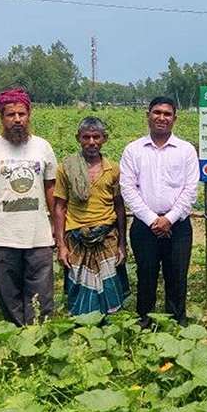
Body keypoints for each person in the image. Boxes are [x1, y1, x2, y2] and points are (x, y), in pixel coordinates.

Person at [0, 88, 57, 326]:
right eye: (11, 115)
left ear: (29, 115)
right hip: (2, 236)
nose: (17, 119)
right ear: (1, 117)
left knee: (42, 295)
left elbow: (51, 188)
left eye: (22, 114)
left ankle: (38, 335)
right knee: (9, 295)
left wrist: (55, 225)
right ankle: (16, 336)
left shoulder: (43, 147)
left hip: (38, 235)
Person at [120, 96, 199, 327]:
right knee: (146, 276)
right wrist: (153, 220)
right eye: (157, 112)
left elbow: (190, 189)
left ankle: (176, 324)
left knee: (177, 276)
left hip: (178, 226)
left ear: (175, 119)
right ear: (148, 116)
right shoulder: (133, 150)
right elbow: (128, 188)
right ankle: (144, 323)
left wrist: (169, 219)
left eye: (167, 114)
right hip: (145, 226)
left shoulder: (186, 150)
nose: (161, 118)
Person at [53, 117, 131, 315]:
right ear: (78, 138)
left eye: (96, 137)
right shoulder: (66, 168)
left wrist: (122, 244)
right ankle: (82, 324)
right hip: (77, 237)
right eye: (86, 137)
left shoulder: (113, 169)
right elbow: (59, 208)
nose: (91, 142)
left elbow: (119, 207)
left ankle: (110, 324)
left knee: (110, 286)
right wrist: (61, 246)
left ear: (104, 138)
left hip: (107, 237)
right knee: (79, 288)